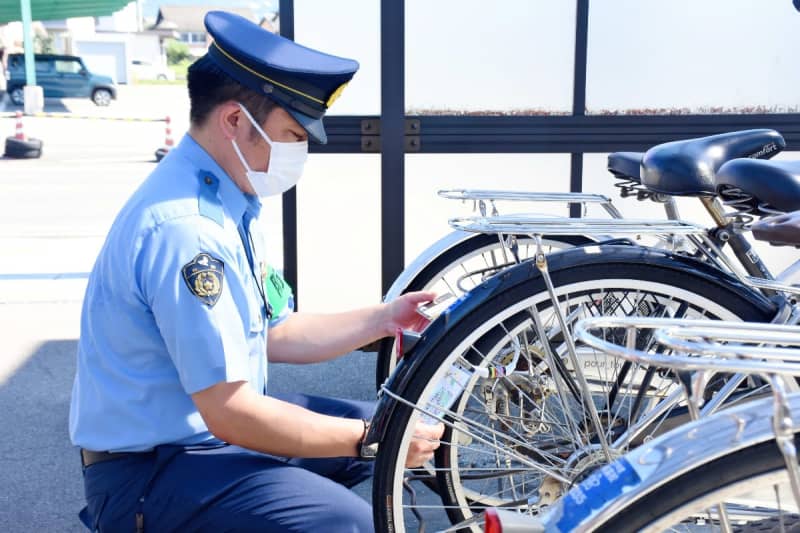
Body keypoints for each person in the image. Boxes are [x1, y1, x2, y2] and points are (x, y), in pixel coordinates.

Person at [68, 10, 443, 532]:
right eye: (291, 134)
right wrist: (369, 436)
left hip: (200, 443)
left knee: (394, 427)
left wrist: (386, 318)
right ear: (235, 121)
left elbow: (275, 331)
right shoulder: (187, 229)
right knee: (350, 518)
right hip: (151, 475)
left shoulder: (227, 202)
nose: (299, 152)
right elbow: (231, 412)